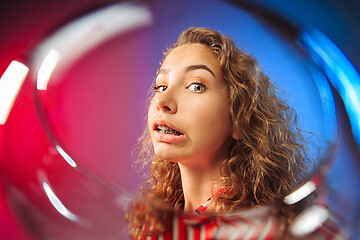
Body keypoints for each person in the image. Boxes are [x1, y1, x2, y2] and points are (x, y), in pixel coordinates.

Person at [129, 27, 317, 239]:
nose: (162, 102)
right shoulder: (157, 219)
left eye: (196, 86)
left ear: (239, 118)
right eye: (161, 86)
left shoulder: (261, 230)